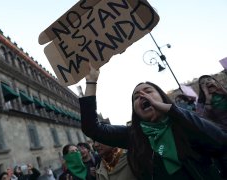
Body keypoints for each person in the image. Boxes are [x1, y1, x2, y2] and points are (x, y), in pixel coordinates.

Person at [79, 65, 227, 179]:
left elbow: (220, 142)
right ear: (135, 110)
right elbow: (92, 128)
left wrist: (172, 110)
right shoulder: (133, 135)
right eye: (136, 97)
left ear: (162, 98)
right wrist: (91, 81)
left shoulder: (184, 122)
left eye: (148, 91)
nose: (142, 95)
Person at [197, 75, 227, 178]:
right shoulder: (201, 103)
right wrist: (208, 99)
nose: (207, 82)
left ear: (215, 81)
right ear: (201, 88)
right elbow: (203, 121)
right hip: (223, 137)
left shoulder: (224, 92)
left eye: (209, 79)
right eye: (203, 83)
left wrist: (223, 91)